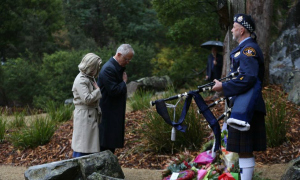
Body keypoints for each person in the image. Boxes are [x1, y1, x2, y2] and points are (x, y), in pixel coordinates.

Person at [212, 14, 266, 180]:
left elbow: (248, 77)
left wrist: (224, 87)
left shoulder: (249, 49)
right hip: (243, 105)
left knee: (245, 149)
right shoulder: (244, 48)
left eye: (234, 26)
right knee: (243, 149)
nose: (232, 29)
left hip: (248, 106)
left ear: (242, 30)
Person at [97, 44, 134, 153]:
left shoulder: (116, 67)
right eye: (126, 59)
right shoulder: (108, 69)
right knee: (105, 145)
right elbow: (113, 91)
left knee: (110, 144)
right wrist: (123, 83)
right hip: (107, 113)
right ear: (118, 54)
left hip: (113, 112)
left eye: (129, 60)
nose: (127, 62)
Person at [71, 53, 103, 158]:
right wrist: (98, 91)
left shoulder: (89, 77)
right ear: (89, 66)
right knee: (83, 146)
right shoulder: (81, 80)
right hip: (85, 116)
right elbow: (87, 99)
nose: (96, 70)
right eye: (95, 67)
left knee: (89, 146)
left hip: (90, 115)